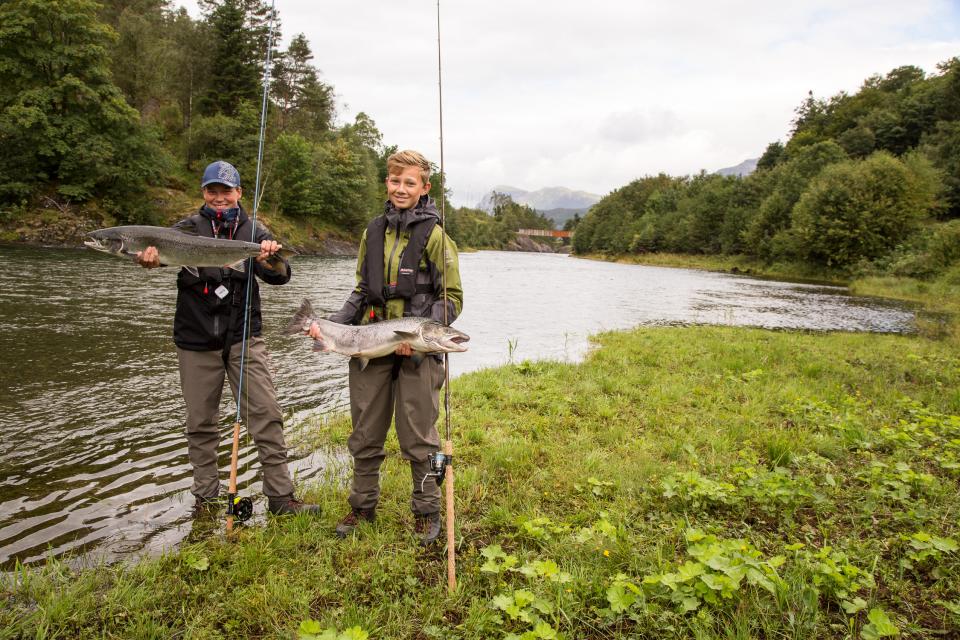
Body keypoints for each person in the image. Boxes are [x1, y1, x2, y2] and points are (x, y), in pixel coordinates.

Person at [139, 160, 319, 517]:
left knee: (267, 415)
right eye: (212, 191)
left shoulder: (254, 230)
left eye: (226, 191)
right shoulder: (184, 229)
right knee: (201, 423)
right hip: (194, 338)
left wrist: (270, 261)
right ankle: (206, 499)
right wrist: (149, 260)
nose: (219, 198)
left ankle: (282, 499)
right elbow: (158, 258)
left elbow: (282, 276)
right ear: (204, 193)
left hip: (244, 337)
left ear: (238, 193)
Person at [308, 149, 463, 545]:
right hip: (371, 343)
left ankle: (426, 511)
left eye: (409, 182)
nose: (401, 188)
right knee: (365, 431)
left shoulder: (437, 237)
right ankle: (362, 507)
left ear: (425, 188)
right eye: (395, 181)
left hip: (418, 349)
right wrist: (332, 327)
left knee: (419, 434)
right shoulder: (371, 232)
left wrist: (422, 335)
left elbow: (453, 298)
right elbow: (361, 291)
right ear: (387, 183)